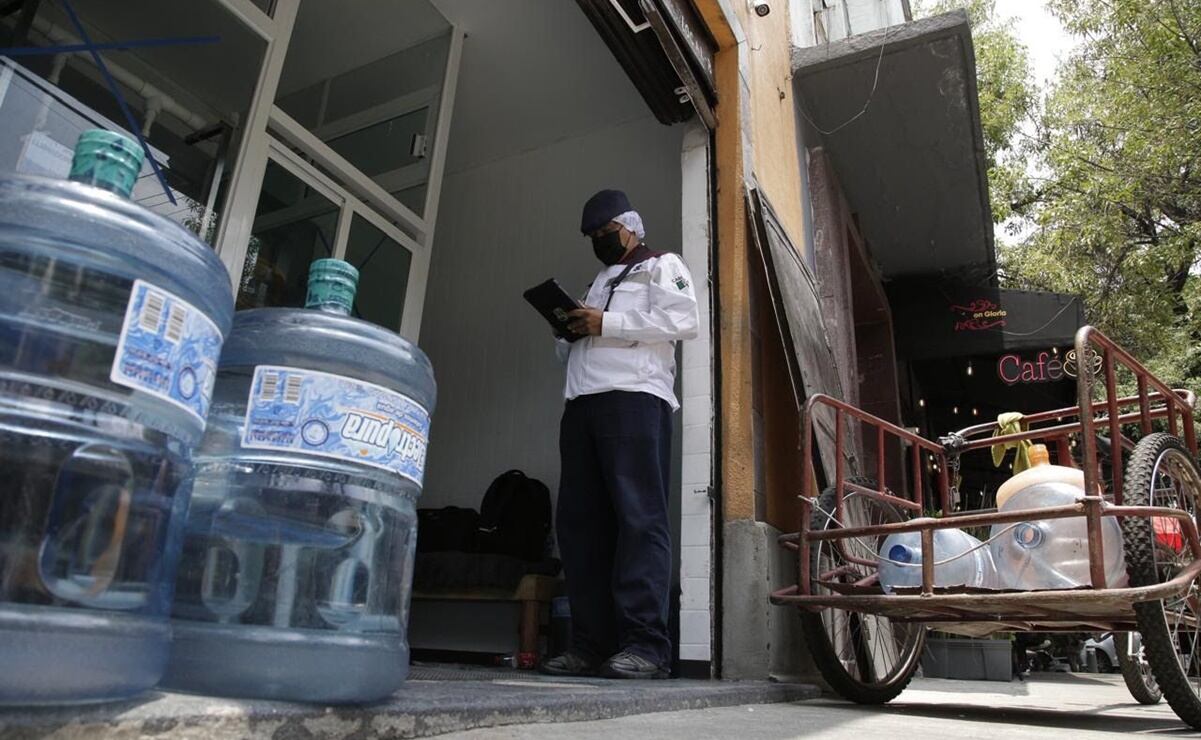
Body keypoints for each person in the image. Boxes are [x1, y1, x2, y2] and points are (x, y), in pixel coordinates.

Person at [539, 189, 699, 680]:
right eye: (592, 236)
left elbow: (684, 320)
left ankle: (647, 646)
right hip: (582, 406)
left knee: (638, 520)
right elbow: (582, 346)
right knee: (582, 527)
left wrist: (604, 321)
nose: (599, 242)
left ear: (631, 226)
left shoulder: (661, 265)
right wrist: (569, 329)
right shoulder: (596, 284)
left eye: (606, 233)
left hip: (634, 401)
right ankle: (590, 645)